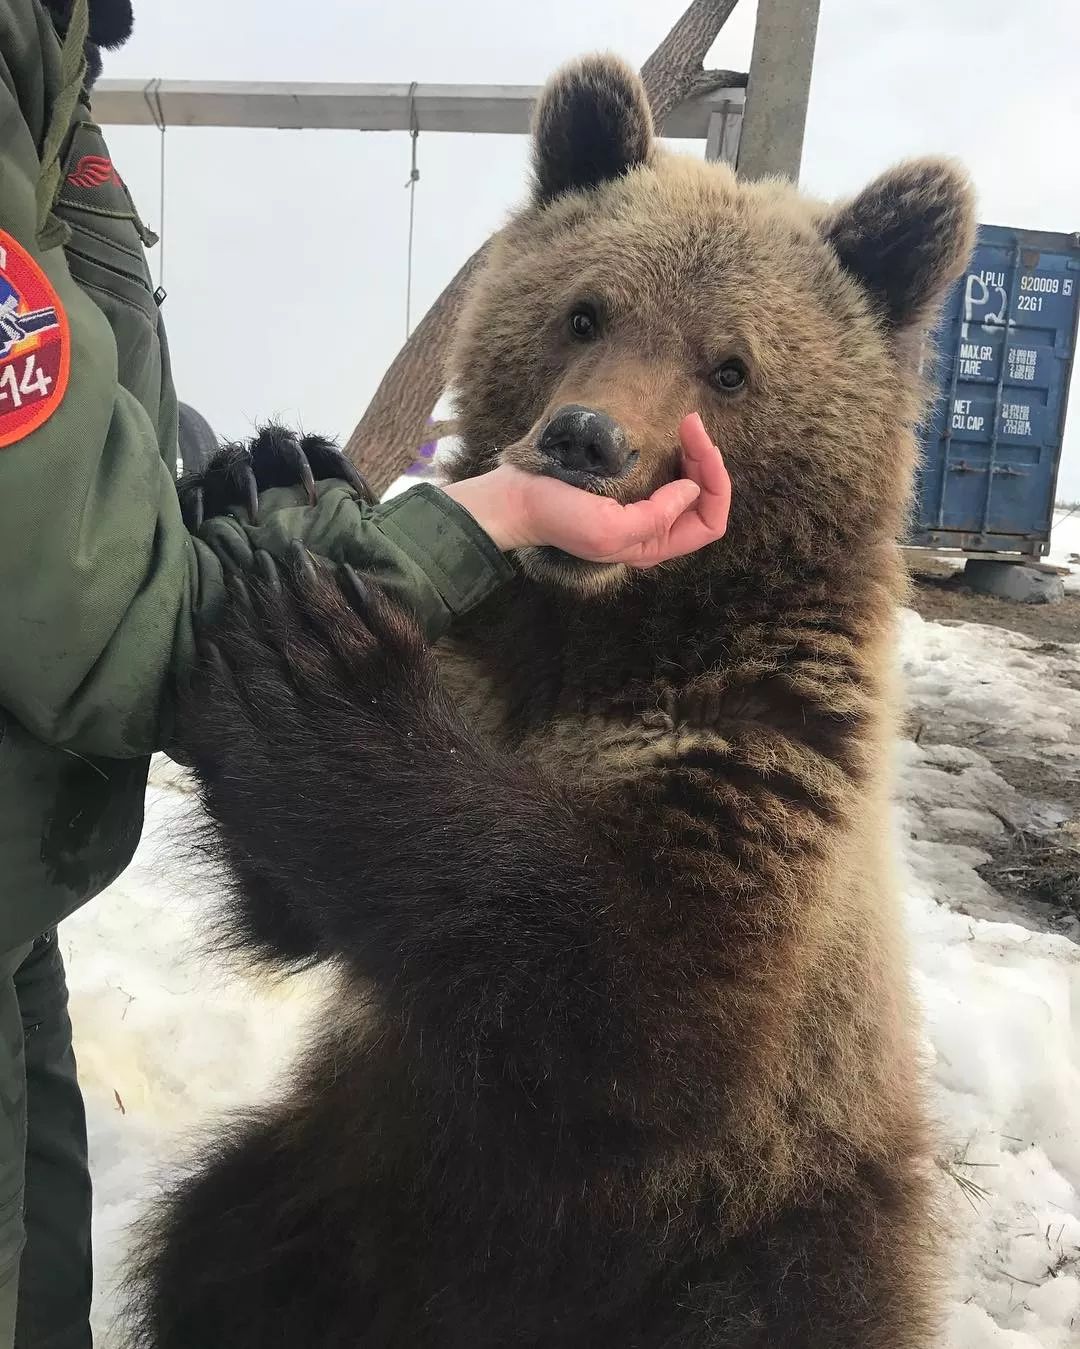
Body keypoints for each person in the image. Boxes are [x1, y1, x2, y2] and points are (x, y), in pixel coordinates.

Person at [0, 1, 732, 1344]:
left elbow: (656, 1050)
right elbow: (115, 633)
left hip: (666, 1257)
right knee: (226, 1238)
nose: (606, 404)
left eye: (726, 372)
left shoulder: (53, 76)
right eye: (580, 321)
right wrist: (367, 607)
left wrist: (300, 583)